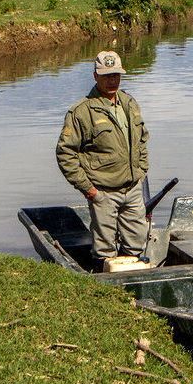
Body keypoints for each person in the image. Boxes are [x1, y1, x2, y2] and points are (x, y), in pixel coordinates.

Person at [56, 50, 149, 268]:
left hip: (133, 188)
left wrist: (142, 170)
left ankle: (133, 284)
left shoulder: (129, 103)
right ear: (95, 76)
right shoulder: (81, 112)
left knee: (137, 243)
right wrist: (89, 189)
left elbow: (142, 139)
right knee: (105, 251)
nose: (112, 80)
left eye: (116, 75)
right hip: (103, 191)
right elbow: (65, 153)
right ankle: (103, 285)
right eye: (107, 75)